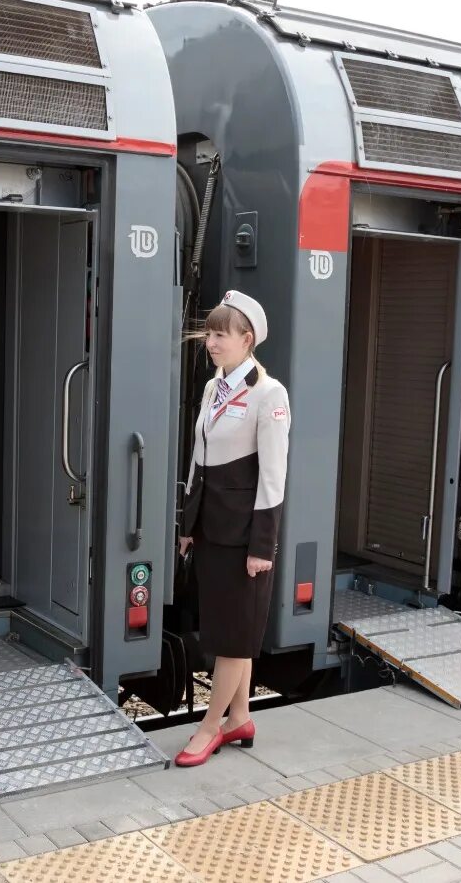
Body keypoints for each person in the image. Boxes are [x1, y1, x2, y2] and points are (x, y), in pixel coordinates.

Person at [175, 290, 291, 767]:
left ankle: (210, 728)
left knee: (234, 637)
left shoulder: (270, 394)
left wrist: (262, 545)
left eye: (220, 334)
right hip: (211, 530)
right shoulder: (213, 388)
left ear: (247, 339)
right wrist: (188, 524)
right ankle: (240, 716)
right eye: (209, 332)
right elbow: (197, 460)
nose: (210, 341)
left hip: (245, 537)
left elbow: (272, 476)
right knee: (228, 630)